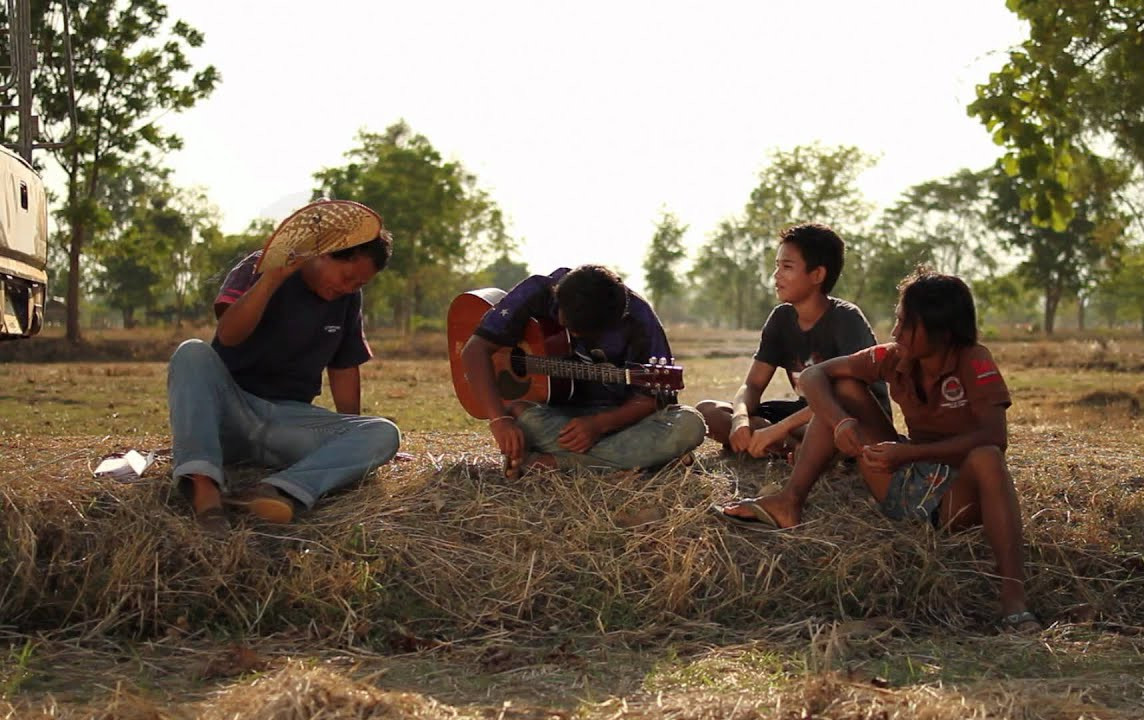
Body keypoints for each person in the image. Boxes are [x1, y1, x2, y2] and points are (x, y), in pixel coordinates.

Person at [717, 267, 1038, 631]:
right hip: (902, 482)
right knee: (843, 392)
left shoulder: (973, 360)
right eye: (897, 321)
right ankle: (790, 501)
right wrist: (842, 422)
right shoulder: (894, 356)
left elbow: (995, 437)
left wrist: (909, 454)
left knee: (987, 457)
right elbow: (813, 376)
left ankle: (1013, 599)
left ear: (941, 331)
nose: (896, 332)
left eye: (906, 325)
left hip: (954, 497)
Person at [168, 231, 401, 534]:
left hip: (287, 424)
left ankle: (279, 490)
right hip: (231, 411)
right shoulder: (259, 267)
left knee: (383, 432)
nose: (348, 288)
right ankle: (204, 490)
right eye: (347, 276)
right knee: (191, 352)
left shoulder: (347, 299)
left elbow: (343, 367)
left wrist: (351, 437)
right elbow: (229, 335)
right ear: (324, 253)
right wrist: (270, 280)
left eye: (359, 284)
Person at [460, 264, 705, 474]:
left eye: (586, 331)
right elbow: (474, 350)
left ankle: (555, 462)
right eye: (568, 325)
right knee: (521, 415)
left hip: (619, 419)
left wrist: (599, 424)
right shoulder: (538, 291)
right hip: (554, 417)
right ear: (557, 297)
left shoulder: (639, 320)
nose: (575, 333)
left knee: (688, 424)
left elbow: (652, 400)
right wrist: (499, 420)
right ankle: (639, 459)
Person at [696, 223, 889, 458]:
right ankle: (791, 447)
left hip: (847, 419)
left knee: (815, 429)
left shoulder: (846, 319)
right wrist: (740, 419)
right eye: (777, 266)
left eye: (787, 267)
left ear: (817, 274)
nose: (776, 276)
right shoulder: (781, 318)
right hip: (803, 418)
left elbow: (848, 396)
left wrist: (778, 429)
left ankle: (789, 444)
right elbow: (754, 385)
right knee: (708, 411)